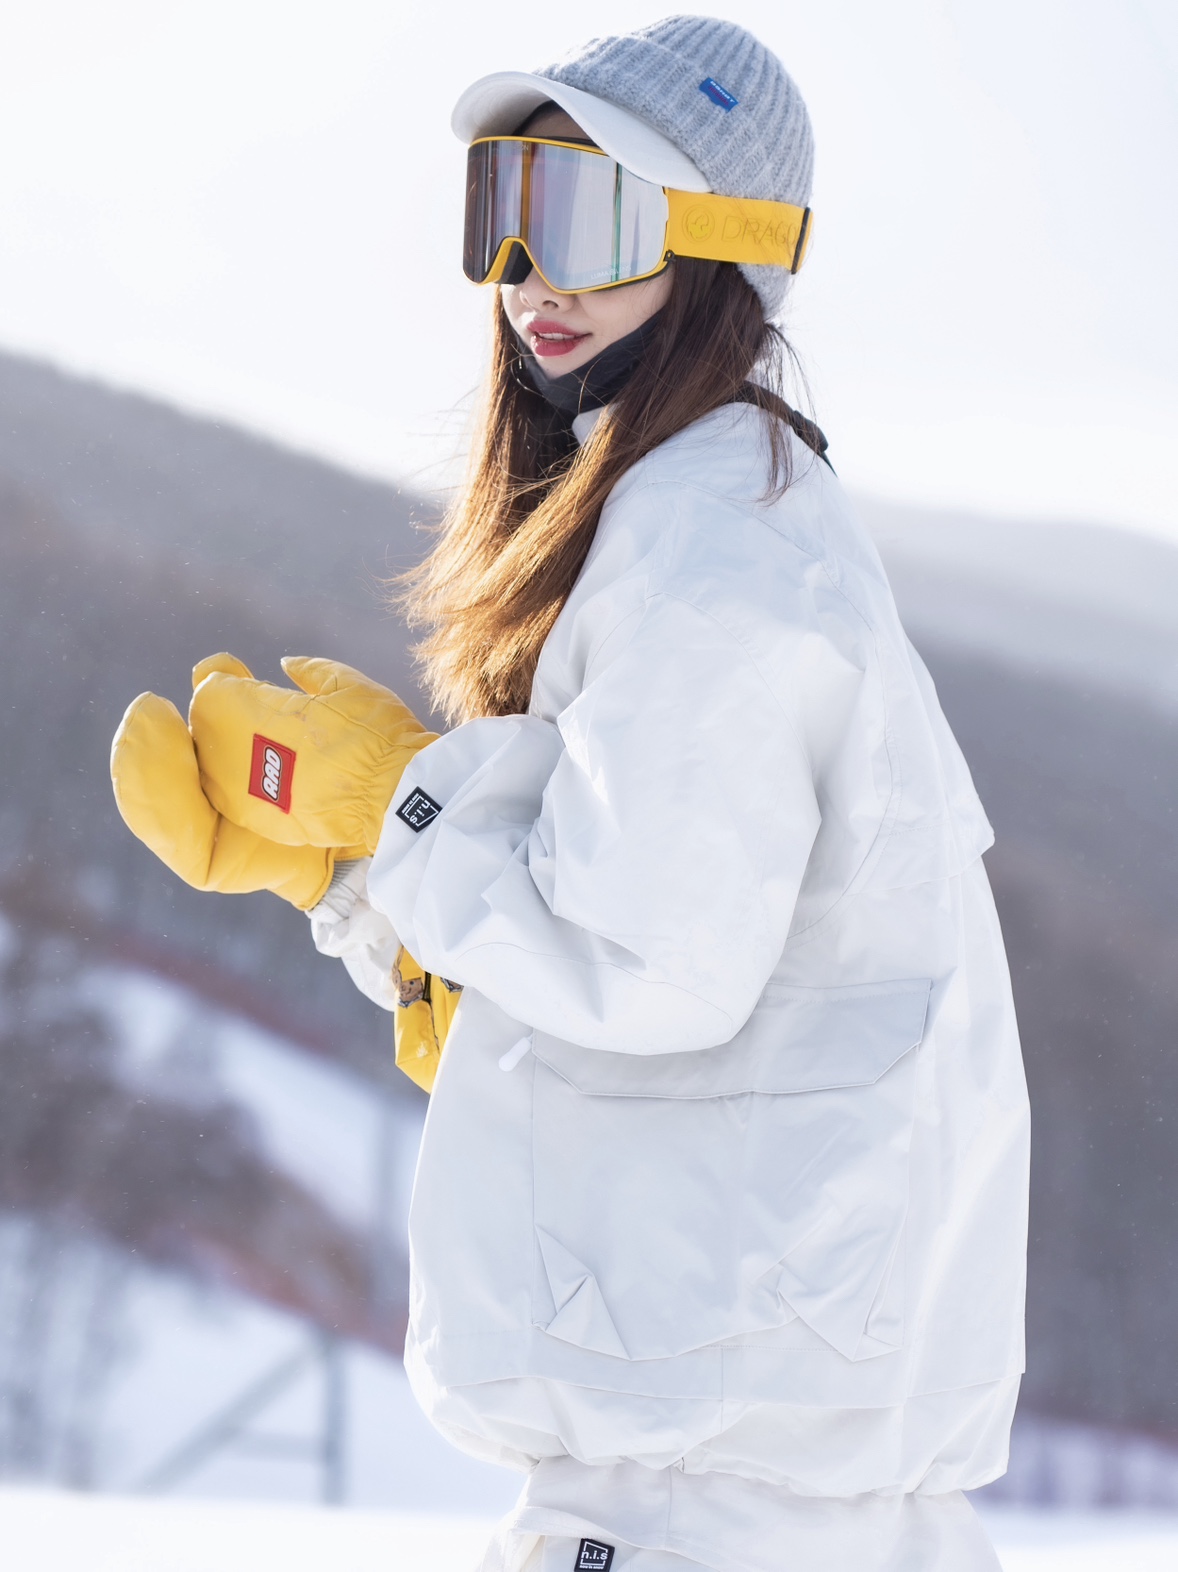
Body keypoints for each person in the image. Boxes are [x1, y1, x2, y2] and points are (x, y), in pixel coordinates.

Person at [111, 16, 1030, 1572]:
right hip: (748, 1476)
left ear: (722, 245)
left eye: (590, 219)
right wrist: (359, 901)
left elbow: (641, 965)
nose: (532, 274)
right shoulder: (707, 511)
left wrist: (403, 804)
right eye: (504, 211)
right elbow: (682, 958)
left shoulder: (713, 560)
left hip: (700, 1499)